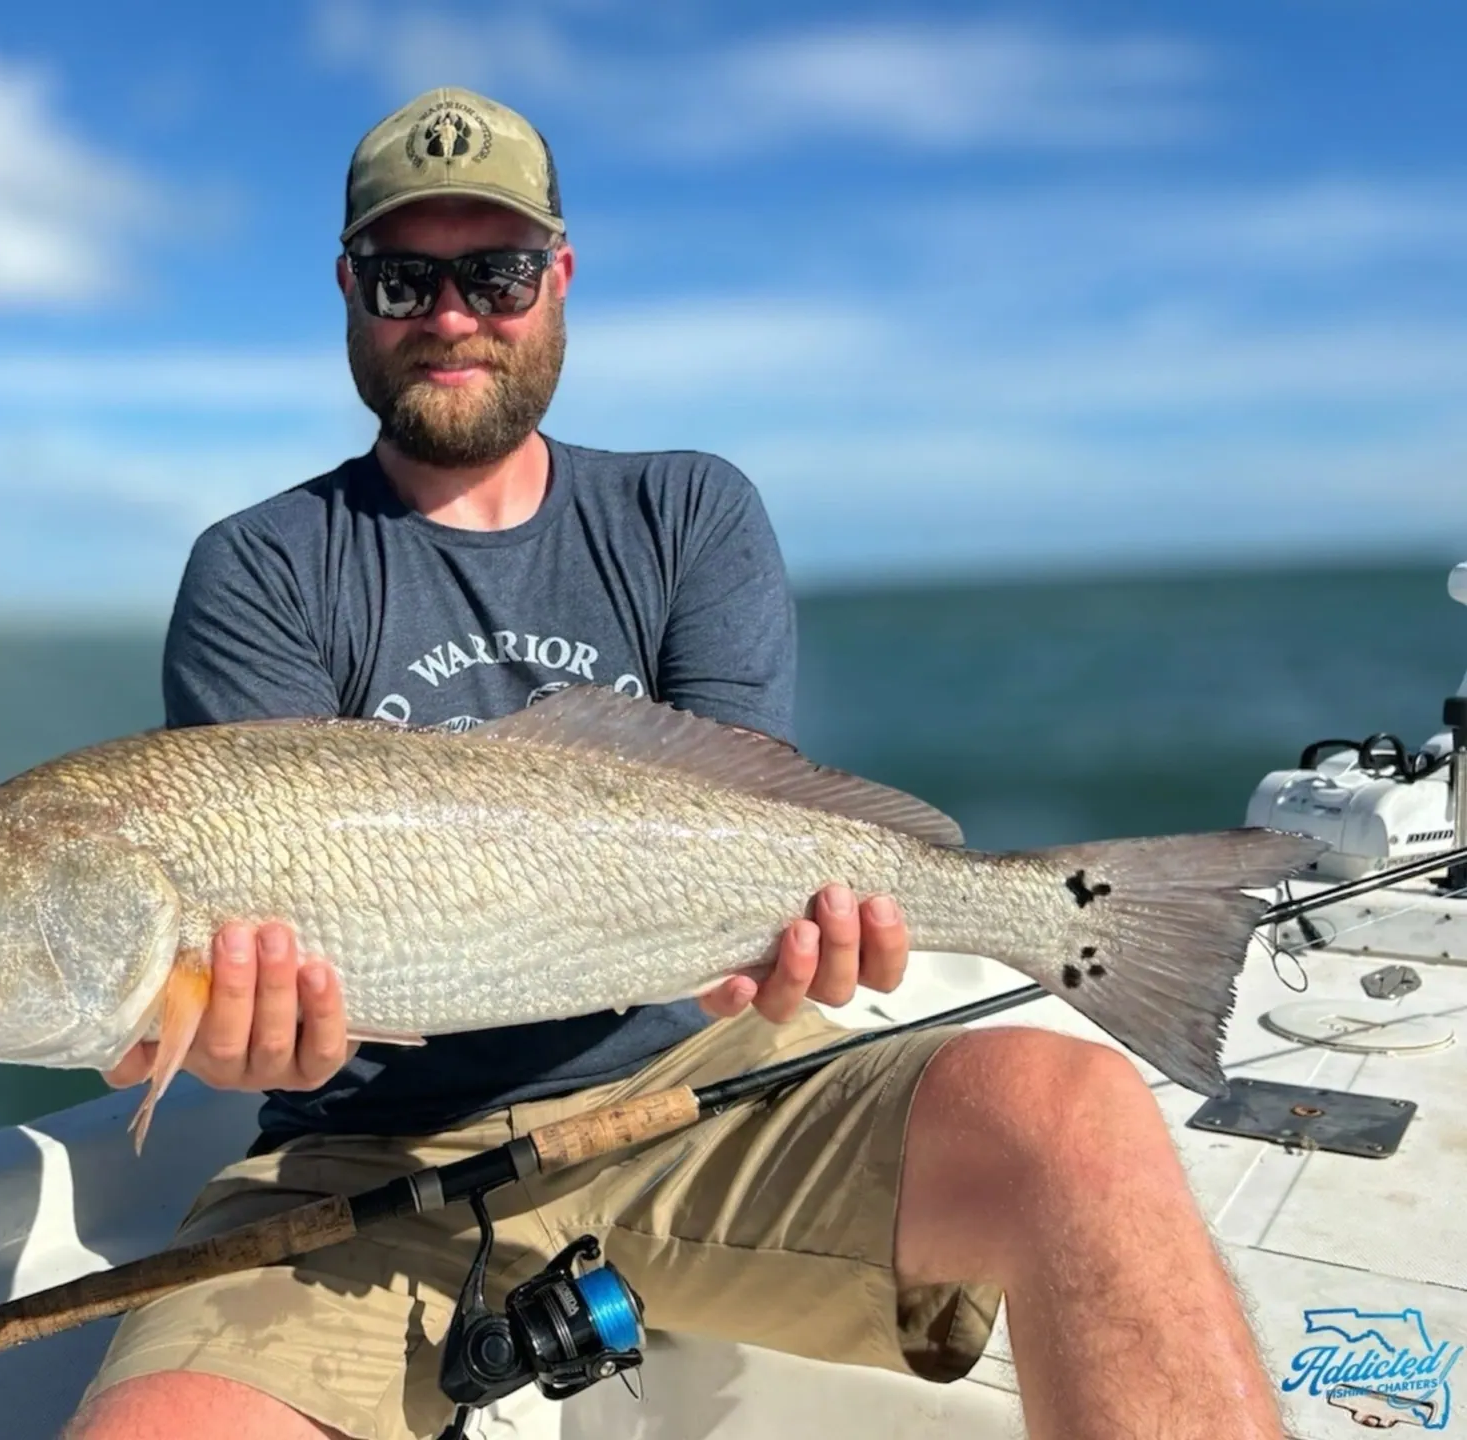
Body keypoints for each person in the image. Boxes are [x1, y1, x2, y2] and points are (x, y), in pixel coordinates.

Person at [65, 87, 1285, 1440]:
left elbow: (753, 808)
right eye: (409, 274)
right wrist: (218, 1038)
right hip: (364, 1157)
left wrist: (806, 946)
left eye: (499, 270)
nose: (454, 312)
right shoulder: (262, 566)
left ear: (561, 280)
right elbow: (233, 983)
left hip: (721, 1084)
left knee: (1079, 1115)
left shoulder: (687, 508)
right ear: (351, 289)